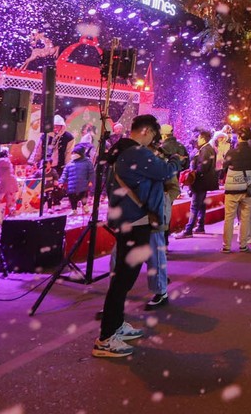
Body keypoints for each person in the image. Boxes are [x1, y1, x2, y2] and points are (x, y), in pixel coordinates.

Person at [94, 114, 175, 359]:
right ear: (147, 131)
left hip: (127, 220)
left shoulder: (121, 151)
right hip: (135, 221)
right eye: (153, 136)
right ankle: (106, 338)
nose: (152, 142)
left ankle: (116, 326)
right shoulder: (135, 153)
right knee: (122, 281)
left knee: (124, 279)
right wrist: (175, 159)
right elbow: (165, 171)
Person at [145, 124, 187, 308]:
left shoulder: (161, 158)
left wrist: (162, 201)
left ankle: (160, 290)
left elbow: (173, 186)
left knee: (156, 252)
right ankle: (114, 297)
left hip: (154, 213)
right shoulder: (131, 156)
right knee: (121, 256)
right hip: (133, 213)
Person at [221, 127, 251, 253]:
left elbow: (224, 167)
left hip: (232, 189)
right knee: (245, 217)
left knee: (229, 217)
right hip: (248, 188)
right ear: (249, 137)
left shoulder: (231, 152)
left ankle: (226, 246)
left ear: (238, 137)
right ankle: (243, 244)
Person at [182, 133, 220, 236]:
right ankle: (200, 226)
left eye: (198, 138)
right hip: (203, 182)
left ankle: (188, 230)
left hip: (200, 183)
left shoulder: (205, 150)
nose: (197, 140)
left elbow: (203, 167)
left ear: (203, 139)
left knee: (194, 206)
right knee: (201, 205)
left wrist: (193, 172)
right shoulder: (207, 148)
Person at [59, 145, 94, 213]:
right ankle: (74, 209)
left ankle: (85, 206)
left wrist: (90, 181)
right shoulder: (69, 164)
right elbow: (64, 174)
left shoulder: (87, 162)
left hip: (83, 185)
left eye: (75, 153)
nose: (73, 155)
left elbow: (91, 173)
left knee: (83, 196)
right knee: (72, 198)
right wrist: (61, 182)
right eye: (73, 153)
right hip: (71, 186)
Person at [0, 146, 19, 221]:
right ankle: (13, 218)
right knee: (11, 202)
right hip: (11, 184)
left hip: (1, 184)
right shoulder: (8, 162)